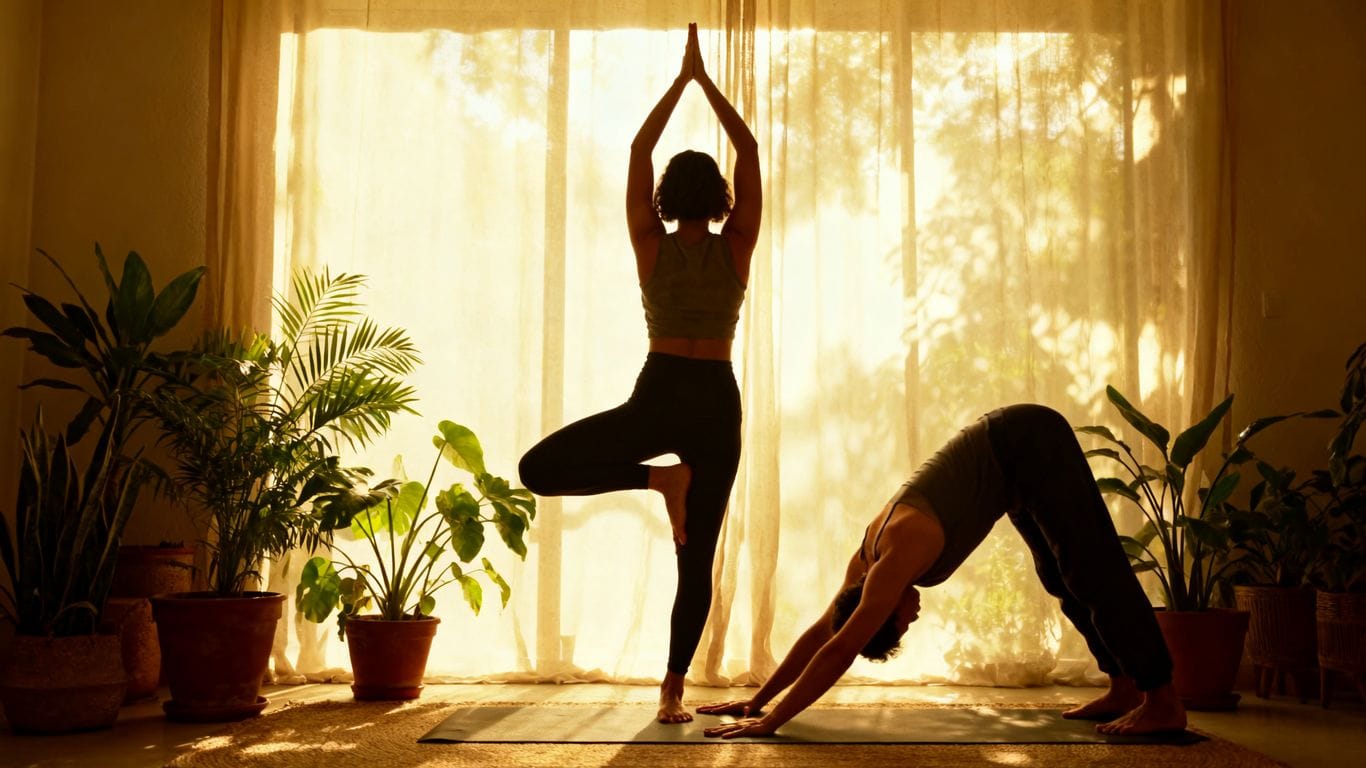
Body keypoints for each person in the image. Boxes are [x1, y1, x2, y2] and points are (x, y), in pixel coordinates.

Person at [518, 23, 761, 725]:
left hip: (660, 393)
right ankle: (672, 690)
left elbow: (637, 149)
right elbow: (746, 147)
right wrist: (705, 82)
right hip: (714, 400)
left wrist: (678, 82)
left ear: (664, 196)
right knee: (699, 555)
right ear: (719, 197)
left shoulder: (647, 242)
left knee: (539, 469)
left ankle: (659, 480)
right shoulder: (737, 245)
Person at [698, 403, 1188, 738]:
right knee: (1061, 578)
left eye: (899, 621)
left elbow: (841, 646)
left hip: (1027, 439)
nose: (911, 619)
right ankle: (1122, 685)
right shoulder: (866, 563)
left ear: (884, 605)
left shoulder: (898, 556)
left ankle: (1161, 699)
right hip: (1016, 464)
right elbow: (825, 631)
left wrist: (773, 722)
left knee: (1091, 570)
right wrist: (756, 700)